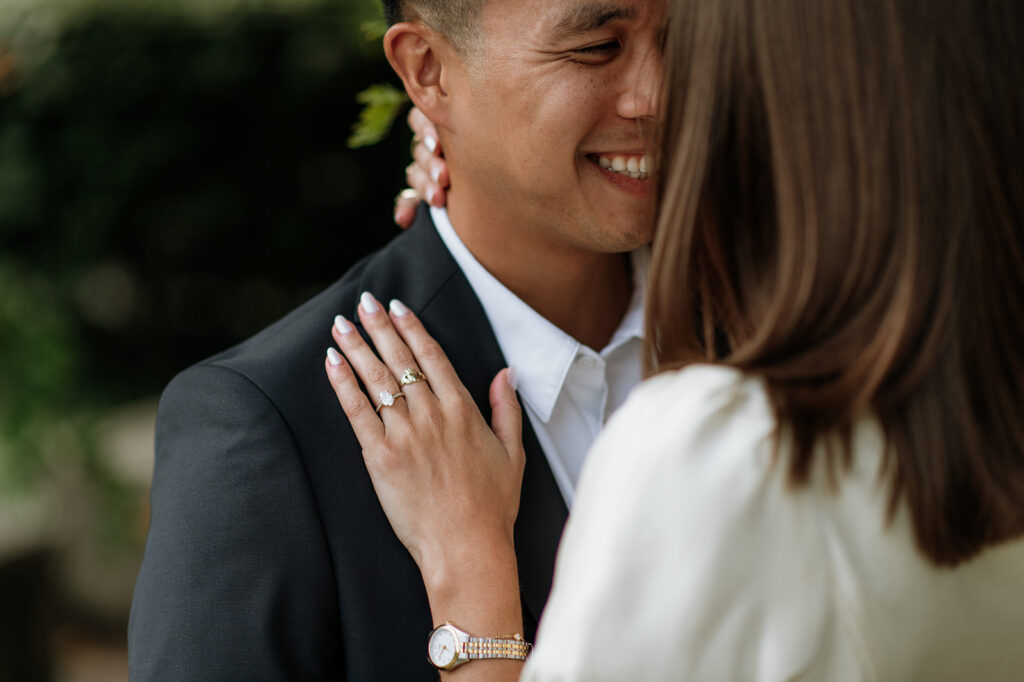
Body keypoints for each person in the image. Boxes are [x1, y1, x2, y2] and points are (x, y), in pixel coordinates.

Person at [324, 0, 1024, 679]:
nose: (664, 96)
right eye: (599, 48)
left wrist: (471, 582)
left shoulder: (717, 454)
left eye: (699, 50)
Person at [128, 0, 664, 679]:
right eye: (597, 48)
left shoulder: (787, 336)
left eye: (685, 40)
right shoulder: (267, 425)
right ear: (429, 70)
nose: (659, 94)